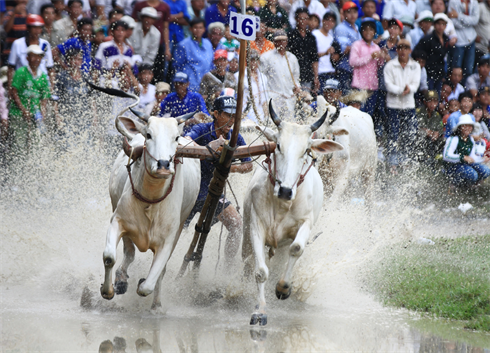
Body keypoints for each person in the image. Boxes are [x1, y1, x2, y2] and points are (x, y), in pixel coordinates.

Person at [183, 95, 253, 265]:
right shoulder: (202, 129)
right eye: (228, 115)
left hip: (213, 193)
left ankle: (228, 270)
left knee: (236, 225)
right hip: (189, 192)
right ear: (215, 113)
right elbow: (185, 143)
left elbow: (248, 165)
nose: (231, 120)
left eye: (235, 116)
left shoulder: (236, 137)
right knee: (177, 232)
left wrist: (229, 167)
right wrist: (209, 148)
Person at [383, 38, 421, 169]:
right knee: (393, 134)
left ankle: (406, 161)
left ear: (410, 50)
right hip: (393, 105)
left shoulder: (415, 66)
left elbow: (416, 84)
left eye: (405, 48)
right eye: (400, 48)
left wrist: (408, 89)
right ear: (397, 50)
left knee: (409, 134)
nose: (403, 51)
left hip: (409, 104)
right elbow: (388, 85)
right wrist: (402, 90)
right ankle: (393, 163)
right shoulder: (390, 65)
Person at [8, 45, 51, 156]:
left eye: (39, 56)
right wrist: (23, 110)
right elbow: (14, 91)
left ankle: (32, 168)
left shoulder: (42, 75)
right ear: (27, 58)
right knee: (19, 145)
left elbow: (45, 95)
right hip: (18, 114)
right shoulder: (21, 72)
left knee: (36, 144)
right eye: (33, 56)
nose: (37, 59)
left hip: (35, 115)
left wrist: (43, 110)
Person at [54, 47, 96, 140]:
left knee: (85, 147)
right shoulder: (61, 77)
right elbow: (55, 101)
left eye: (79, 59)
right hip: (67, 120)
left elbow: (92, 99)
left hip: (85, 120)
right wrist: (58, 119)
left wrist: (94, 118)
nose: (76, 62)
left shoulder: (86, 77)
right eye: (74, 59)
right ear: (68, 61)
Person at [349, 17, 386, 119]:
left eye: (371, 29)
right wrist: (370, 57)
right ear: (362, 31)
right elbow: (352, 62)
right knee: (358, 115)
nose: (368, 32)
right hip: (359, 86)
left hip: (372, 87)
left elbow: (379, 66)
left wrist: (382, 58)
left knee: (368, 116)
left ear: (374, 32)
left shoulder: (376, 47)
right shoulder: (357, 45)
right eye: (365, 29)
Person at [260, 30, 300, 118]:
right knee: (274, 123)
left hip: (289, 97)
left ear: (287, 42)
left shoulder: (292, 58)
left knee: (289, 123)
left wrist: (297, 86)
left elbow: (296, 77)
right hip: (274, 97)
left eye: (283, 40)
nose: (281, 43)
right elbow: (261, 78)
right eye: (278, 41)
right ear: (274, 42)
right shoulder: (266, 57)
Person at [8, 14, 54, 89]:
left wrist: (51, 86)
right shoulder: (17, 43)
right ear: (28, 28)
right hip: (23, 83)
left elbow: (50, 68)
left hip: (42, 82)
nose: (37, 30)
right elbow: (11, 68)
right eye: (34, 27)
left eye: (39, 28)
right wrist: (10, 87)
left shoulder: (45, 44)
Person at [442, 114, 490, 187]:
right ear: (460, 127)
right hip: (453, 166)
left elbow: (472, 157)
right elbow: (446, 156)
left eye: (469, 126)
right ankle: (454, 184)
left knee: (486, 170)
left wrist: (482, 159)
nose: (467, 128)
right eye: (465, 126)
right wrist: (462, 157)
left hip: (465, 165)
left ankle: (470, 185)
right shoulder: (453, 139)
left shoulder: (470, 139)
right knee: (472, 174)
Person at [173, 18, 213, 92]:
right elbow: (177, 67)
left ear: (204, 29)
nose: (198, 30)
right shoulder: (183, 45)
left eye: (200, 28)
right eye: (195, 27)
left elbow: (211, 64)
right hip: (190, 86)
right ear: (190, 29)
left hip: (206, 86)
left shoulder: (208, 43)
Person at [414, 13, 450, 93]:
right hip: (429, 73)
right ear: (434, 25)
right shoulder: (428, 39)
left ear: (446, 26)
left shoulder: (446, 39)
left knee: (436, 98)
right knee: (429, 97)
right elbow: (416, 52)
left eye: (443, 24)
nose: (440, 26)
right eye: (438, 23)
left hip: (439, 74)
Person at [287, 8, 319, 92]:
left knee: (306, 100)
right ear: (296, 19)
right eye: (300, 18)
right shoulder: (290, 35)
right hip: (292, 75)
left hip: (307, 75)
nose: (303, 21)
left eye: (305, 19)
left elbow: (314, 59)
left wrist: (316, 77)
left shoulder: (311, 37)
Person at [447, 0, 480, 84]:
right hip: (459, 40)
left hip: (471, 39)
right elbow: (453, 22)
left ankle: (466, 91)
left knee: (468, 69)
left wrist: (458, 15)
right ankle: (454, 89)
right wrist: (468, 22)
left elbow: (475, 20)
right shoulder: (453, 2)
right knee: (455, 69)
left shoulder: (474, 2)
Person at [334, 1, 361, 94]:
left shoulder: (356, 27)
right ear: (343, 13)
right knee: (346, 98)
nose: (352, 15)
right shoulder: (341, 28)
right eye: (349, 12)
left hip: (355, 69)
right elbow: (344, 49)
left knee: (355, 99)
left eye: (354, 12)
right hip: (345, 68)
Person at [235, 50, 268, 124]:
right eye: (252, 60)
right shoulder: (239, 76)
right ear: (247, 61)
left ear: (259, 62)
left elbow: (264, 99)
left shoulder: (263, 77)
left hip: (260, 114)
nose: (254, 63)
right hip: (245, 115)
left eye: (256, 60)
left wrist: (266, 115)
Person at [416, 90, 444, 162]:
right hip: (420, 139)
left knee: (443, 140)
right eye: (430, 101)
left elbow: (440, 130)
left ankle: (436, 158)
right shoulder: (419, 112)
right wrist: (431, 133)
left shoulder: (437, 115)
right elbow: (421, 128)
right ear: (425, 102)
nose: (432, 104)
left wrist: (437, 134)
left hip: (432, 140)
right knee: (422, 134)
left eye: (435, 102)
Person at [313, 12, 337, 89]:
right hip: (320, 73)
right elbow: (312, 55)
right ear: (322, 20)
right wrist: (325, 53)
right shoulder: (315, 34)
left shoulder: (331, 38)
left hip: (331, 73)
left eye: (332, 21)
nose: (329, 23)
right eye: (327, 20)